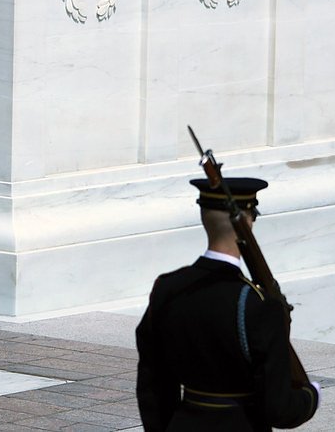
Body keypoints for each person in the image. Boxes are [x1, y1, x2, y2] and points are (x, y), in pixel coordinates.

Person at [136, 178, 320, 431]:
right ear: (247, 220)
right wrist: (311, 397)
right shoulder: (259, 304)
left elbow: (153, 384)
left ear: (204, 218)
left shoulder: (167, 288)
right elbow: (279, 409)